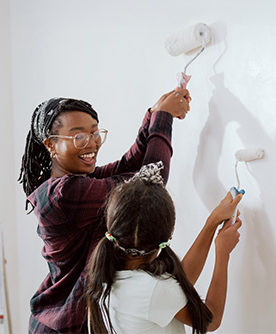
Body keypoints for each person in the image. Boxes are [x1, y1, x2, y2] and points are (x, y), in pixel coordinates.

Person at [18, 89, 191, 333]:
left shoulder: (73, 180)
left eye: (94, 132)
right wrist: (163, 117)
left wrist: (153, 116)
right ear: (51, 145)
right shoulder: (64, 194)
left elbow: (128, 167)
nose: (92, 143)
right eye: (79, 136)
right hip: (65, 327)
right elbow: (149, 184)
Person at [85, 162, 243, 334]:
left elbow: (177, 287)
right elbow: (210, 320)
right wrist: (223, 252)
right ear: (169, 238)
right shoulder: (154, 291)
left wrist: (212, 222)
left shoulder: (110, 272)